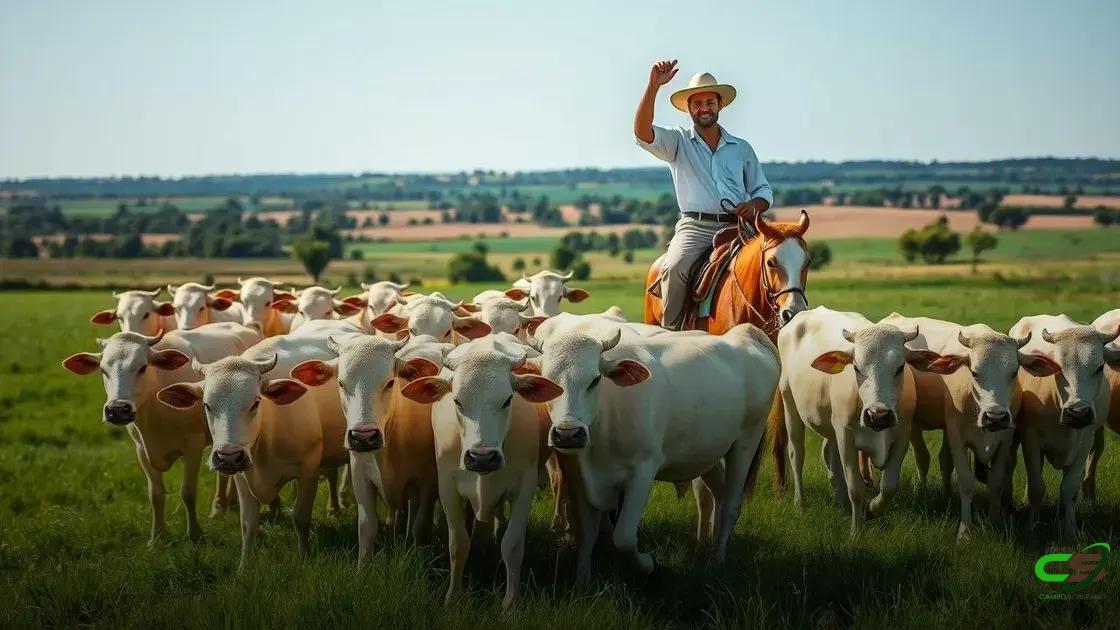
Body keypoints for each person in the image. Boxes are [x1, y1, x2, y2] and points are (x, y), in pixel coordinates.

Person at [634, 59, 773, 330]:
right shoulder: (678, 142)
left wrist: (755, 204)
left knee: (777, 262)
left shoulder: (741, 148)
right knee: (674, 267)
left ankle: (784, 324)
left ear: (720, 105)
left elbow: (763, 188)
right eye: (697, 103)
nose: (704, 108)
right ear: (689, 109)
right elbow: (642, 133)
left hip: (739, 225)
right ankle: (670, 335)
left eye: (710, 102)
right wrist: (653, 86)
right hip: (695, 227)